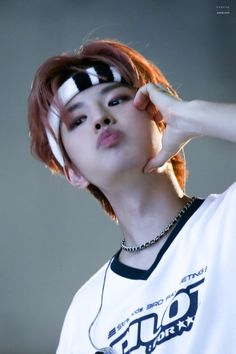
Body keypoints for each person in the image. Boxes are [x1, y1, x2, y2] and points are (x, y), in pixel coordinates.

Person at [28, 39, 236, 354]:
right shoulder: (84, 314)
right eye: (78, 120)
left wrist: (193, 114)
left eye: (117, 100)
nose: (100, 118)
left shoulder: (227, 221)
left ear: (159, 116)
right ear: (73, 172)